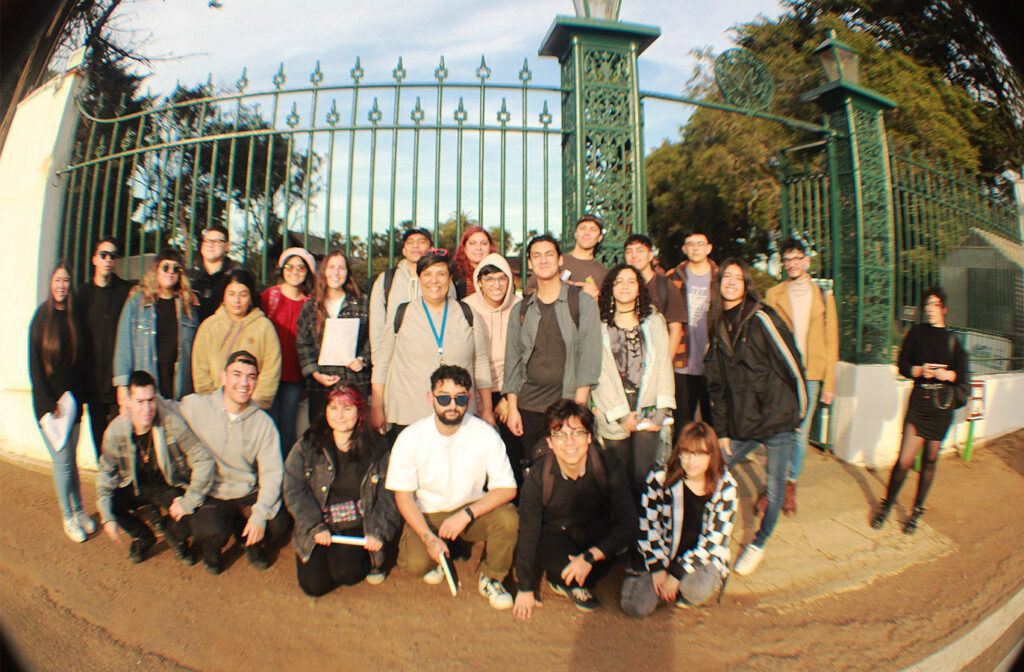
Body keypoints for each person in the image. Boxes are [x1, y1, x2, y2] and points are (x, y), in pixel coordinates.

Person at [385, 365, 518, 610]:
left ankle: (491, 576)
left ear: (469, 398)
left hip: (469, 511)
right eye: (444, 398)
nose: (452, 405)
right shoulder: (411, 438)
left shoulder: (485, 434)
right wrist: (427, 539)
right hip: (429, 512)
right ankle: (439, 551)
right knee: (415, 565)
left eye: (460, 398)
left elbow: (507, 489)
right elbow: (403, 498)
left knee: (509, 518)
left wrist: (466, 515)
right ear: (430, 398)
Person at [704, 258, 806, 576]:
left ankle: (758, 543)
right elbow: (716, 385)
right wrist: (721, 432)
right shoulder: (718, 325)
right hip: (743, 423)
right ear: (718, 284)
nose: (731, 282)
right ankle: (708, 534)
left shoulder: (762, 318)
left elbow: (793, 363)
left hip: (777, 418)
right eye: (726, 277)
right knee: (714, 469)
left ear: (747, 284)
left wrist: (800, 412)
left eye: (738, 277)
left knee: (775, 488)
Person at [512, 400, 636, 619]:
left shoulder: (608, 466)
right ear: (550, 442)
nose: (569, 443)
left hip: (595, 534)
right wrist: (524, 588)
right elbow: (529, 532)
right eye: (560, 435)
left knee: (612, 551)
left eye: (577, 433)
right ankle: (560, 578)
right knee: (568, 572)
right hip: (555, 535)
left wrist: (589, 557)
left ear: (589, 438)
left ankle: (581, 571)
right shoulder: (539, 478)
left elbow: (628, 524)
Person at [283, 384, 402, 596]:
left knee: (348, 573)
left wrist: (378, 531)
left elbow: (389, 493)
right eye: (333, 408)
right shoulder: (309, 444)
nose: (339, 415)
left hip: (360, 523)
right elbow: (294, 488)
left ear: (359, 412)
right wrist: (314, 526)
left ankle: (373, 560)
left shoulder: (377, 447)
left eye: (347, 409)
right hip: (320, 522)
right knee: (314, 586)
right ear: (325, 410)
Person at [178, 351, 289, 574]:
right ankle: (212, 549)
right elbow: (163, 410)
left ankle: (250, 541)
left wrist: (258, 516)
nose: (244, 383)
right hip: (212, 489)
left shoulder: (263, 423)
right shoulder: (196, 406)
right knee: (211, 531)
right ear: (224, 377)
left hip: (244, 489)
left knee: (279, 524)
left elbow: (272, 474)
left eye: (251, 377)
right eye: (236, 374)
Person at [871, 287, 968, 535]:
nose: (930, 308)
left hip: (941, 407)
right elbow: (902, 364)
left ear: (944, 308)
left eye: (935, 304)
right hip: (920, 402)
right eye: (928, 304)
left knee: (929, 461)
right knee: (904, 461)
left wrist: (949, 374)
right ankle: (886, 505)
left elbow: (963, 374)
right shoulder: (917, 332)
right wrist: (919, 370)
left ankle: (916, 511)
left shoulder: (953, 339)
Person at [96, 370, 215, 564]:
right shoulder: (115, 431)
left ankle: (177, 538)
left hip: (165, 485)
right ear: (128, 402)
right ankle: (143, 537)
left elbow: (202, 459)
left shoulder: (171, 423)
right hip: (135, 486)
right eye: (140, 402)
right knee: (110, 505)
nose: (147, 408)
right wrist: (106, 516)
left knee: (191, 512)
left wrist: (190, 499)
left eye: (151, 400)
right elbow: (106, 472)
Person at [621, 421, 737, 616]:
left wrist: (676, 574)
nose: (691, 461)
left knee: (695, 589)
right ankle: (660, 585)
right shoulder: (660, 479)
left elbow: (714, 541)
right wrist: (657, 568)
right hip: (664, 552)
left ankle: (683, 587)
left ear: (712, 455)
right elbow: (647, 527)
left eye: (699, 454)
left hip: (700, 558)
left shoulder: (725, 487)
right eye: (686, 452)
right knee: (634, 606)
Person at [370, 250, 494, 434]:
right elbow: (382, 363)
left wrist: (487, 409)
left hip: (457, 414)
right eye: (427, 274)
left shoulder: (467, 313)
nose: (434, 280)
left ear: (450, 278)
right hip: (408, 416)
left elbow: (481, 362)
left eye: (441, 274)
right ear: (419, 278)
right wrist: (377, 407)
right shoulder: (402, 314)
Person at [504, 234, 602, 464]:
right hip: (529, 407)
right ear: (529, 263)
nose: (543, 260)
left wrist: (577, 411)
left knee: (572, 471)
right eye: (536, 256)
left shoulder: (582, 303)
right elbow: (513, 360)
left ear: (560, 260)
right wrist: (512, 407)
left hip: (567, 405)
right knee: (536, 473)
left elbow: (589, 356)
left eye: (549, 254)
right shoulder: (522, 309)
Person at [762, 238, 839, 516]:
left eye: (798, 258)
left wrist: (829, 383)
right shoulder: (774, 295)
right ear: (783, 264)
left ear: (807, 260)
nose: (793, 263)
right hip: (783, 373)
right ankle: (772, 486)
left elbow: (832, 342)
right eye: (788, 259)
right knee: (776, 430)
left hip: (812, 374)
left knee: (799, 432)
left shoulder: (823, 295)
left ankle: (790, 483)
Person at [591, 264, 675, 497]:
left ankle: (644, 531)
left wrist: (661, 412)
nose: (625, 286)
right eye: (619, 281)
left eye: (631, 280)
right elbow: (599, 374)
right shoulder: (598, 325)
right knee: (617, 482)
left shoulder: (654, 321)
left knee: (643, 480)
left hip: (648, 410)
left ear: (640, 288)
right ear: (610, 288)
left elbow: (663, 367)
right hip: (614, 411)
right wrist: (621, 415)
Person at [29, 260, 94, 543]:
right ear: (51, 283)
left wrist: (80, 402)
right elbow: (34, 366)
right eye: (58, 280)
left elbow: (81, 362)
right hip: (50, 407)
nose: (62, 285)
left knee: (72, 461)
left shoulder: (73, 316)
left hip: (73, 405)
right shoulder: (41, 317)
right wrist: (47, 403)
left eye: (66, 281)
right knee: (64, 463)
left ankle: (79, 510)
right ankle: (68, 516)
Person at [463, 253, 524, 484]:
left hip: (512, 391)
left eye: (502, 278)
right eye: (489, 279)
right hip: (477, 390)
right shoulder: (466, 308)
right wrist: (481, 402)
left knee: (511, 456)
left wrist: (510, 399)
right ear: (479, 282)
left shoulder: (521, 307)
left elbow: (524, 356)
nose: (496, 285)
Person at [113, 249, 199, 405]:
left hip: (178, 391)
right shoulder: (137, 303)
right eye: (166, 267)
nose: (170, 272)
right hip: (145, 390)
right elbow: (124, 347)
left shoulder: (187, 308)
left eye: (176, 268)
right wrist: (122, 387)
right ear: (156, 270)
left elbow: (196, 352)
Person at [75, 237, 134, 458]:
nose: (108, 260)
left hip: (120, 384)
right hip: (93, 385)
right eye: (104, 255)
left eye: (113, 256)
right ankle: (108, 491)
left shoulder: (126, 290)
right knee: (101, 445)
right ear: (94, 260)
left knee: (125, 446)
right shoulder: (83, 294)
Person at [296, 249, 370, 424]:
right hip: (322, 384)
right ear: (323, 271)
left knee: (356, 433)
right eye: (331, 267)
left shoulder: (362, 303)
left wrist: (363, 359)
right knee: (320, 433)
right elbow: (302, 343)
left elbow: (375, 338)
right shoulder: (311, 306)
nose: (336, 273)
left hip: (355, 381)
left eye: (341, 268)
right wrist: (313, 372)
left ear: (348, 272)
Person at [191, 268, 282, 410]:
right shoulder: (210, 326)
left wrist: (256, 404)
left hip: (251, 409)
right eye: (231, 294)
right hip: (214, 408)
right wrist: (210, 401)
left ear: (251, 297)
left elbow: (271, 370)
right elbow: (200, 369)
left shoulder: (264, 327)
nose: (237, 300)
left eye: (243, 294)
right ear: (224, 296)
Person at [261, 248, 315, 456]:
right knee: (267, 423)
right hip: (269, 373)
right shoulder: (270, 296)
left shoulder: (309, 302)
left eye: (300, 267)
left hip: (294, 375)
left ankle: (287, 472)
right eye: (289, 267)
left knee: (288, 426)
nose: (294, 271)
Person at [368, 227, 447, 360]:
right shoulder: (386, 279)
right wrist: (378, 359)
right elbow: (376, 324)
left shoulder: (441, 280)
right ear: (404, 250)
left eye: (422, 241)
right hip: (395, 358)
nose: (416, 245)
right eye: (410, 242)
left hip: (432, 356)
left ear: (431, 248)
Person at [668, 230, 718, 429]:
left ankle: (716, 461)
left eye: (700, 244)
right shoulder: (673, 278)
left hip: (713, 362)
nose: (695, 248)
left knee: (714, 424)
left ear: (708, 248)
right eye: (690, 244)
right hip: (682, 362)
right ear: (684, 249)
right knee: (682, 424)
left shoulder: (721, 277)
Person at [623, 234, 686, 365]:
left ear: (651, 255)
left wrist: (665, 364)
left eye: (640, 250)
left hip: (657, 359)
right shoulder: (621, 287)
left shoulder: (665, 286)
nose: (634, 255)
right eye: (629, 251)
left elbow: (676, 329)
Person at [525, 216, 608, 300]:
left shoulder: (602, 273)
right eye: (582, 228)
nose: (587, 233)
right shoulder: (554, 261)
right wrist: (555, 289)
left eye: (593, 230)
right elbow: (528, 291)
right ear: (576, 234)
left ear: (600, 237)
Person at [189, 224, 236, 322]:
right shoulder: (189, 278)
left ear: (226, 246)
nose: (210, 245)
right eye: (207, 241)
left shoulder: (234, 278)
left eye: (217, 241)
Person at [452, 226, 497, 298]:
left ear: (490, 247)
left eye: (484, 243)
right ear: (464, 247)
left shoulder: (500, 271)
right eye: (472, 243)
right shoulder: (453, 273)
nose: (478, 248)